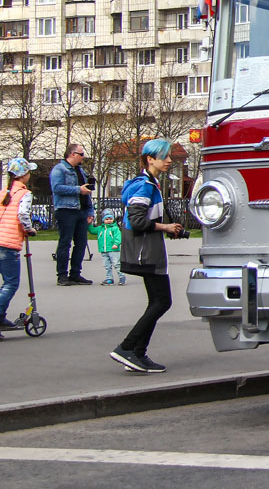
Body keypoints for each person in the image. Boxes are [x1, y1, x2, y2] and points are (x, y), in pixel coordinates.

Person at [110, 139, 183, 373]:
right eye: (165, 157)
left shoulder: (149, 184)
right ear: (150, 159)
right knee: (163, 301)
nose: (169, 161)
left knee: (157, 302)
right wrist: (165, 228)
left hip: (147, 251)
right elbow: (138, 221)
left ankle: (137, 354)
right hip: (146, 254)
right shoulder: (145, 186)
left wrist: (171, 229)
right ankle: (127, 347)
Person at [0, 158, 39, 340]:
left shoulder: (1, 193)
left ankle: (1, 316)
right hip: (8, 243)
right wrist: (29, 229)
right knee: (11, 284)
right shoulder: (24, 194)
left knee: (7, 282)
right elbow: (22, 214)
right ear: (24, 175)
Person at [50, 143, 94, 285]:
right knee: (65, 242)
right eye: (81, 154)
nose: (83, 157)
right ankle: (62, 275)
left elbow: (86, 191)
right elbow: (56, 188)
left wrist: (89, 211)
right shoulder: (59, 169)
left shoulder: (80, 170)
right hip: (66, 210)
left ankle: (75, 273)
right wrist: (77, 190)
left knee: (81, 243)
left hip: (81, 210)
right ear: (72, 154)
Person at [91, 209, 125, 286]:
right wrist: (89, 224)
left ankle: (122, 276)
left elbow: (118, 237)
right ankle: (109, 278)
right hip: (104, 250)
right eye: (107, 219)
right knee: (107, 265)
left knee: (116, 264)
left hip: (113, 250)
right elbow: (92, 230)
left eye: (110, 219)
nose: (109, 220)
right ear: (103, 220)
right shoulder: (100, 228)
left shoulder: (115, 228)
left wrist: (116, 243)